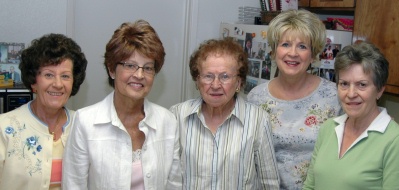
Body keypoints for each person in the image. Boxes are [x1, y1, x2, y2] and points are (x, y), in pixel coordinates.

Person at [62, 19, 181, 189]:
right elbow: (73, 185)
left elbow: (174, 185)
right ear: (111, 69)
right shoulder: (85, 122)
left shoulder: (167, 121)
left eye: (148, 68)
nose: (139, 75)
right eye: (130, 65)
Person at [246, 9, 342, 190]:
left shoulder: (334, 96)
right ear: (274, 51)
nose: (293, 53)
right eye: (285, 44)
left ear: (313, 55)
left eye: (302, 46)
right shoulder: (256, 97)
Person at [169, 37, 280, 189]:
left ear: (239, 82)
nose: (215, 85)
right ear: (197, 80)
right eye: (208, 76)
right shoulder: (177, 115)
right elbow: (168, 178)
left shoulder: (258, 120)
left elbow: (269, 183)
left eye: (225, 76)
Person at [303, 41, 399, 189]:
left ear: (379, 90)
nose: (351, 94)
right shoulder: (329, 128)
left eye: (362, 85)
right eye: (344, 84)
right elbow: (310, 186)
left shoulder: (394, 140)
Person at [0, 33, 88, 190]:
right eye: (49, 75)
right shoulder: (4, 128)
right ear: (34, 81)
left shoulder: (84, 125)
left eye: (65, 76)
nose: (58, 84)